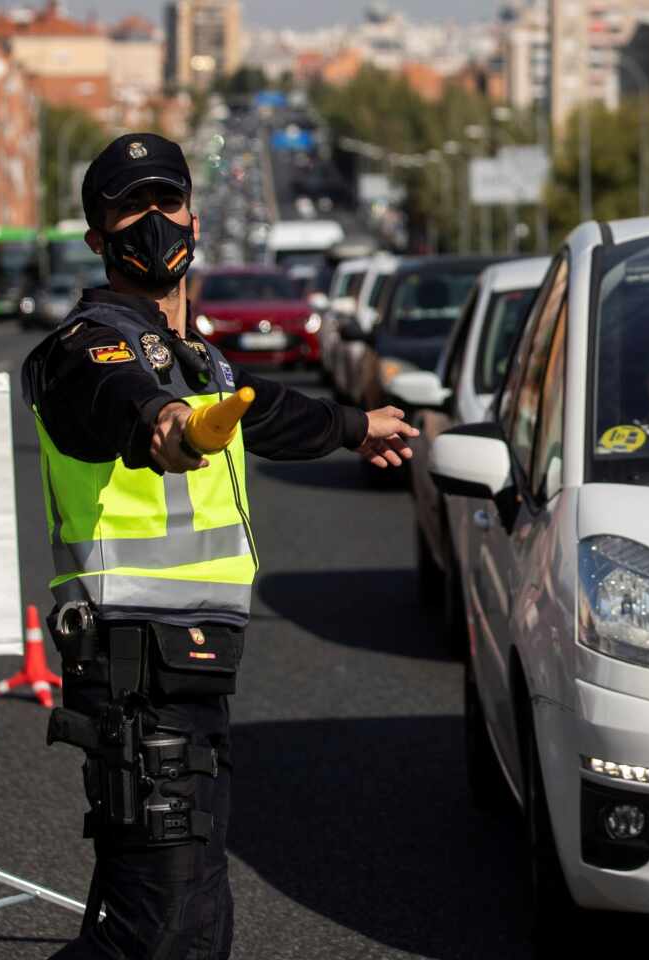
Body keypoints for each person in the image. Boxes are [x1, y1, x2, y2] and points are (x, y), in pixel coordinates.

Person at [22, 133, 419, 960]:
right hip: (134, 672)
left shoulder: (192, 355)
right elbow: (128, 397)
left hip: (188, 671)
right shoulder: (85, 349)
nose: (153, 221)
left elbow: (259, 406)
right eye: (131, 208)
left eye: (166, 202)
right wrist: (164, 427)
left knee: (192, 917)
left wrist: (355, 426)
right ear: (98, 238)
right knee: (160, 928)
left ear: (194, 220)